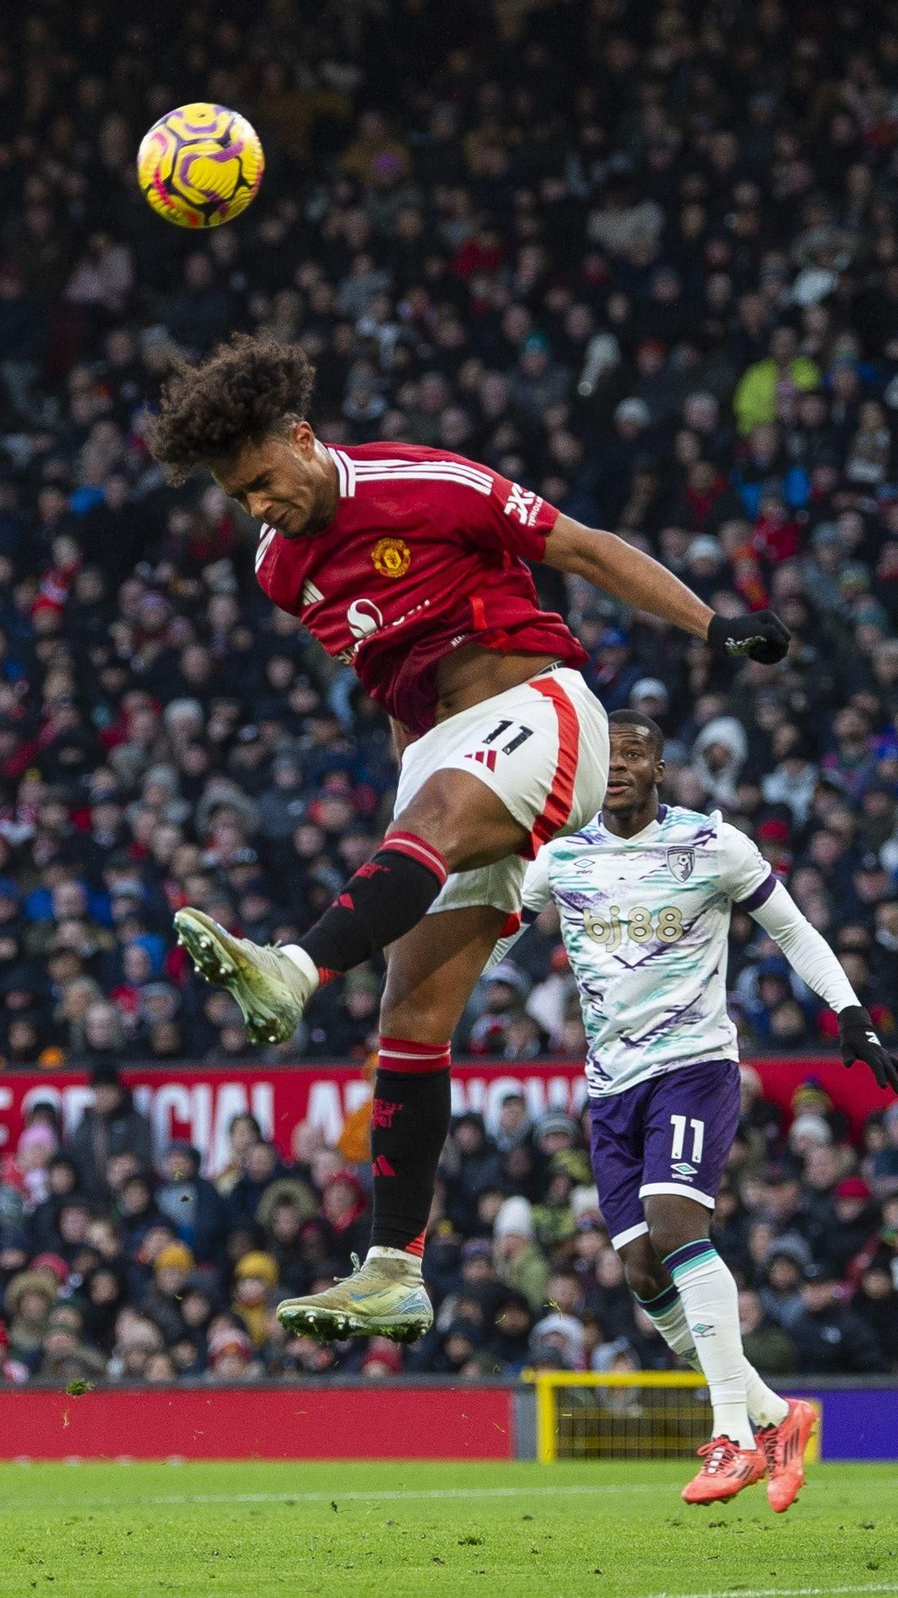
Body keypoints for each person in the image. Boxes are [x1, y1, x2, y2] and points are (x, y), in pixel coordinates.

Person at [144, 334, 792, 1344]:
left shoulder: (427, 484)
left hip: (539, 710)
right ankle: (394, 1269)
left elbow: (586, 549)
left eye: (264, 481)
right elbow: (393, 681)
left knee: (430, 828)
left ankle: (291, 969)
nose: (259, 507)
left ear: (303, 439)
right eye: (239, 498)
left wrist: (714, 627)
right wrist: (415, 787)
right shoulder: (279, 568)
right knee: (409, 1015)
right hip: (444, 756)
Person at [497, 709, 896, 1505]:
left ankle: (732, 1437)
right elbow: (492, 939)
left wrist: (849, 1011)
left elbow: (792, 929)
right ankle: (777, 1415)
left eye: (635, 754)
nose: (619, 766)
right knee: (642, 1270)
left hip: (692, 1067)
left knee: (678, 1227)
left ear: (660, 768)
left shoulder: (710, 844)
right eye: (609, 754)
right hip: (610, 1088)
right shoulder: (561, 854)